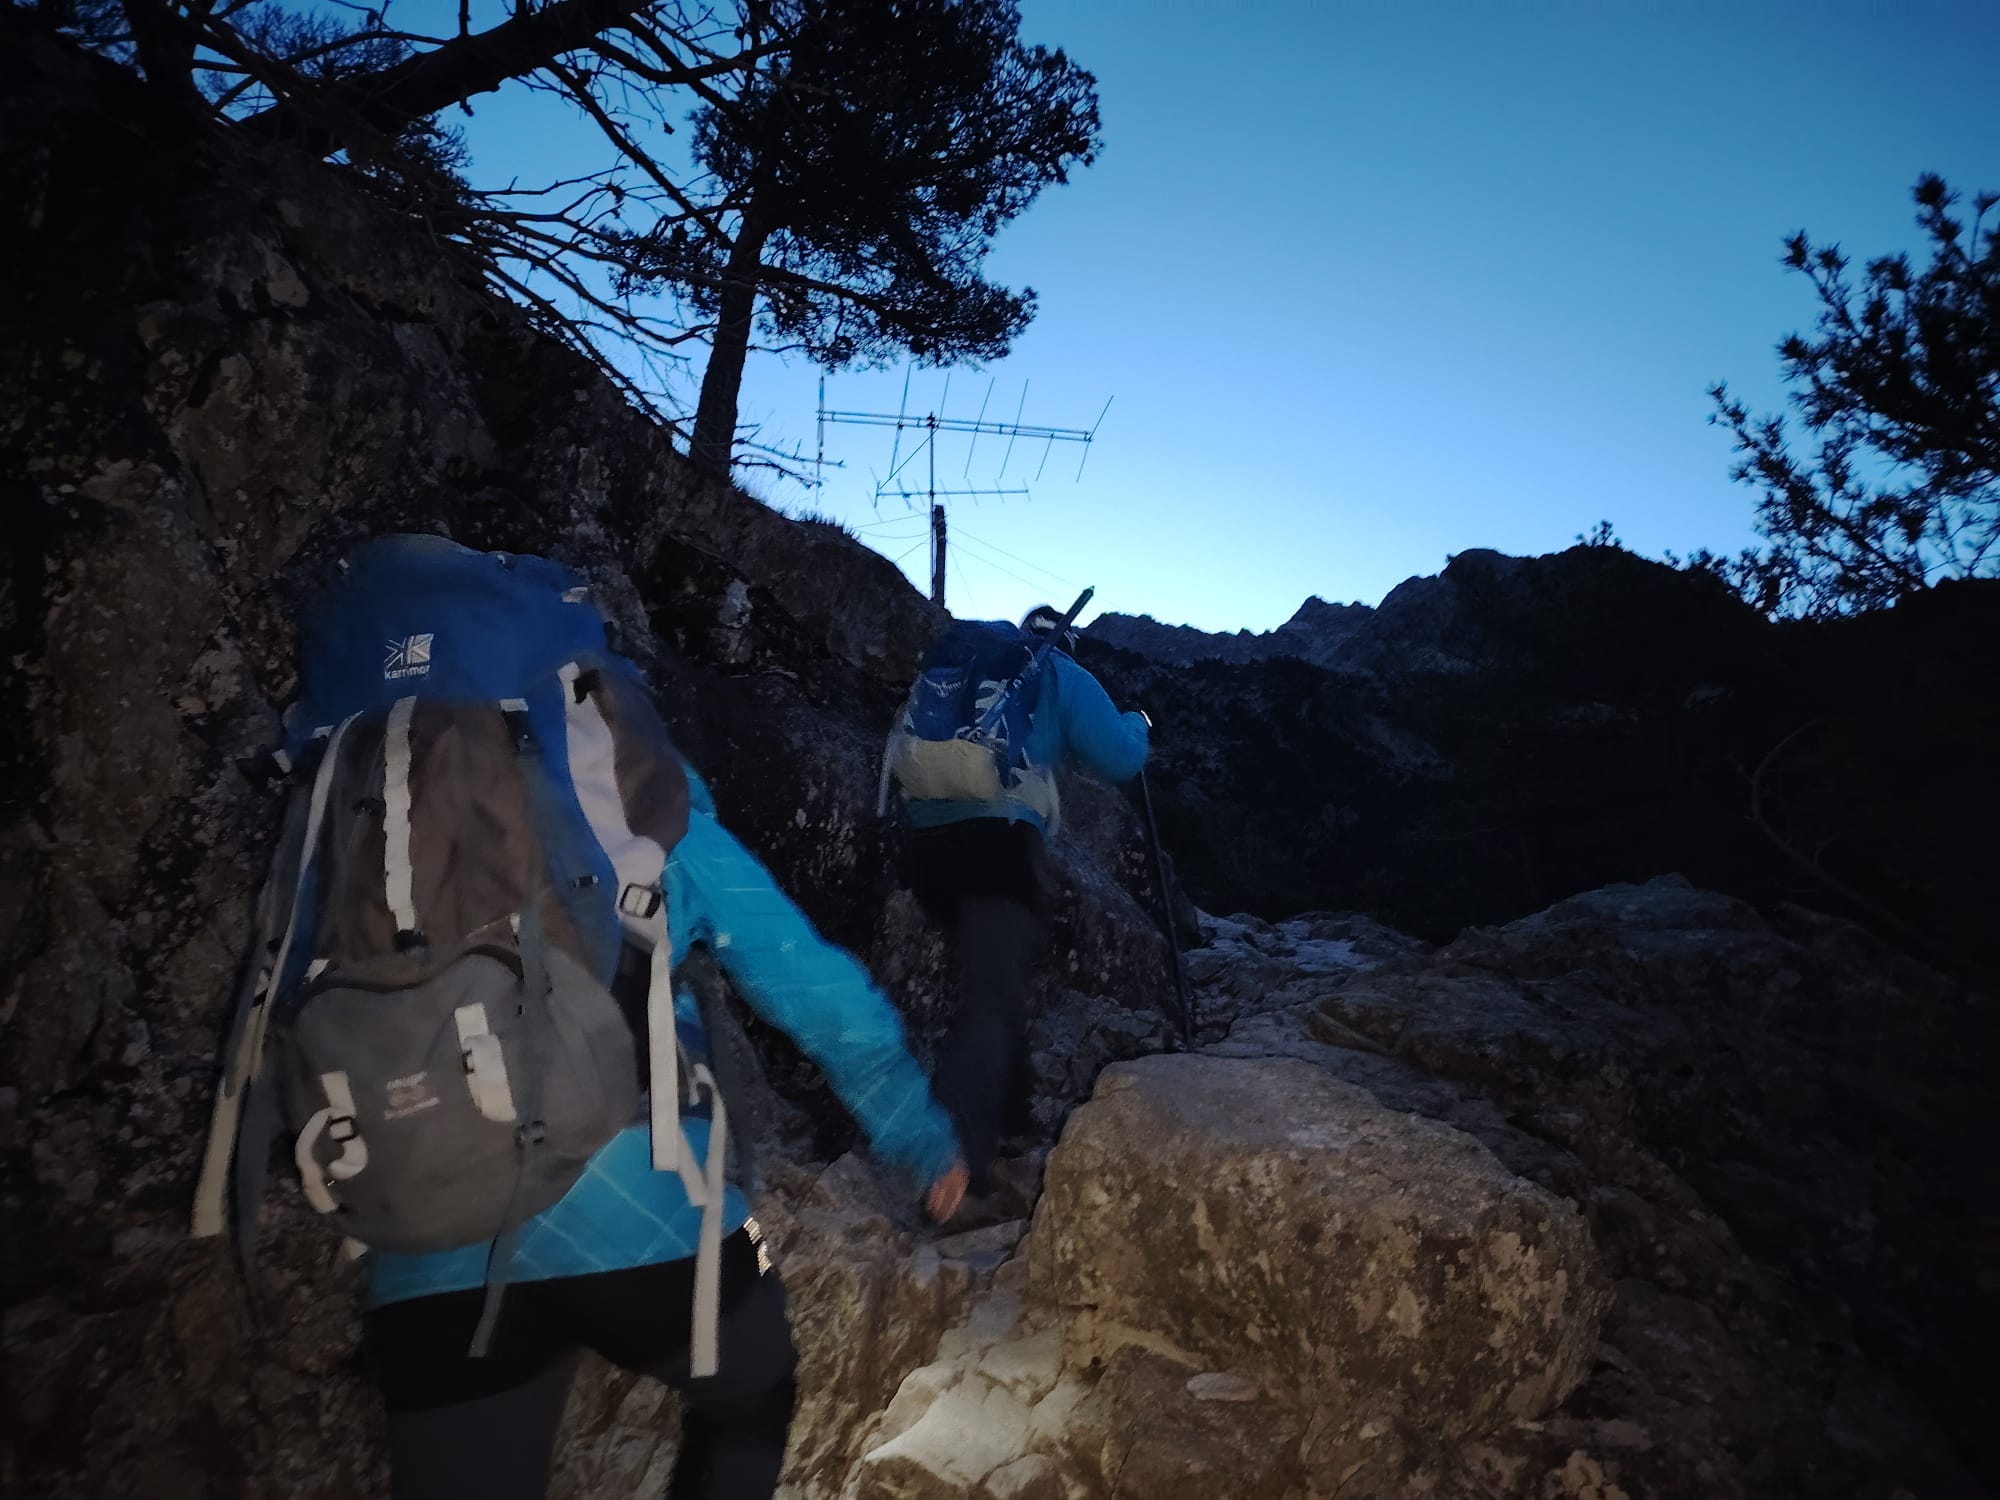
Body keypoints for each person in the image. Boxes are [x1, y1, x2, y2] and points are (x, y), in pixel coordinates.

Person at [361, 767, 967, 1500]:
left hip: (428, 1240)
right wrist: (922, 1136)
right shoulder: (646, 808)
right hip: (637, 1208)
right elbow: (821, 996)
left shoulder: (386, 813)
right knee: (753, 1391)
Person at [893, 605, 1149, 1201]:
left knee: (998, 988)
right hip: (997, 843)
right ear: (1065, 640)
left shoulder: (970, 668)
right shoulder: (1059, 671)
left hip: (926, 839)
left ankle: (1008, 1122)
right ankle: (951, 1166)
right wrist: (1139, 724)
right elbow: (1119, 757)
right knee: (989, 1000)